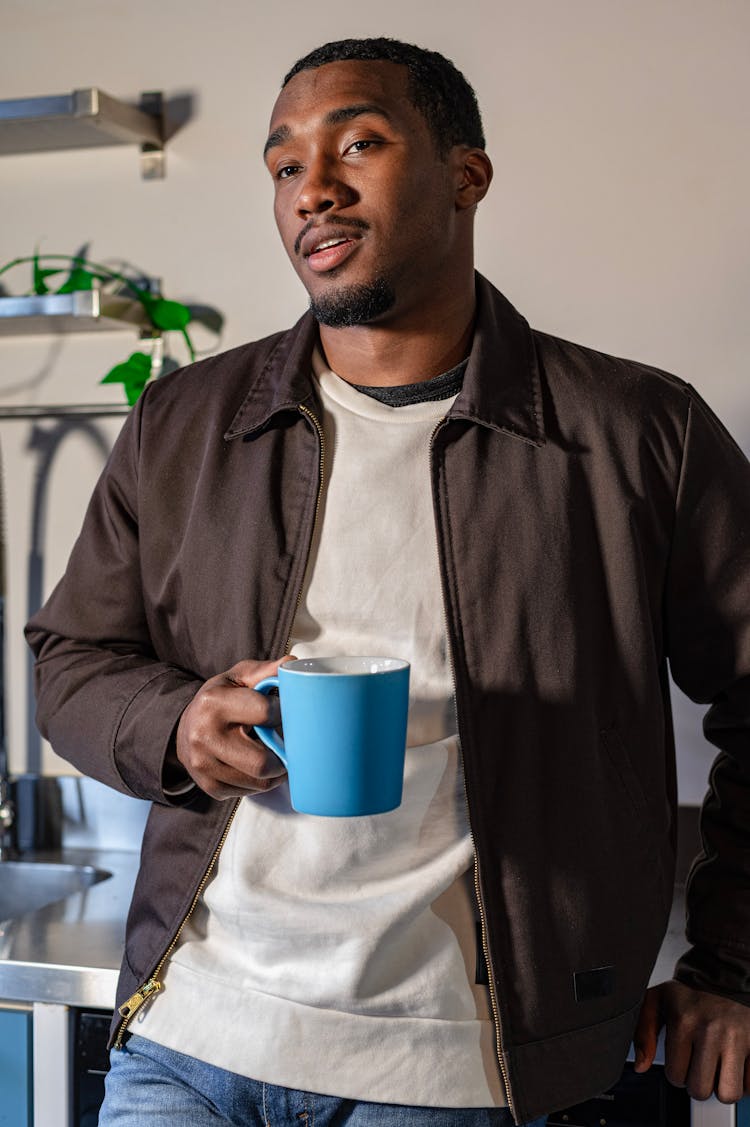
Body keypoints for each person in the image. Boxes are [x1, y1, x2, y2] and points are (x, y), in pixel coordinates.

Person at [25, 36, 750, 1127]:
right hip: (187, 1038)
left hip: (451, 1070)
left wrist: (731, 964)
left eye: (359, 142)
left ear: (467, 174)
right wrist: (176, 723)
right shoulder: (183, 426)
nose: (312, 187)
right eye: (283, 165)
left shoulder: (637, 433)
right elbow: (69, 663)